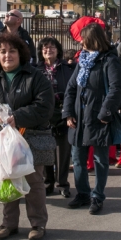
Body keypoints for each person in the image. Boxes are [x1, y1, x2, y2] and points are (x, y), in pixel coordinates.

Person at [0, 32, 54, 240]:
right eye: (2, 52)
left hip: (30, 138)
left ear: (21, 53)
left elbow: (44, 106)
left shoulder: (35, 76)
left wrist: (17, 117)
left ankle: (38, 224)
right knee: (6, 181)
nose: (7, 55)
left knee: (34, 183)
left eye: (12, 51)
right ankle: (9, 224)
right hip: (0, 141)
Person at [62, 21, 121, 215]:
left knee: (100, 159)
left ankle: (97, 196)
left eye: (84, 41)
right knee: (78, 158)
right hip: (79, 119)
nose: (81, 44)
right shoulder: (84, 60)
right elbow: (71, 88)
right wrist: (68, 113)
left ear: (94, 40)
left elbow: (116, 89)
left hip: (98, 119)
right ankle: (83, 193)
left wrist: (106, 113)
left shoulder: (109, 60)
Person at [35, 36, 75, 198]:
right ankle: (48, 182)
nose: (48, 50)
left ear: (58, 50)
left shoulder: (69, 68)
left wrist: (69, 112)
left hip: (63, 113)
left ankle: (62, 183)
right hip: (43, 114)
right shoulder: (35, 70)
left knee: (62, 151)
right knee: (45, 149)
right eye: (45, 47)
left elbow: (72, 92)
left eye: (52, 47)